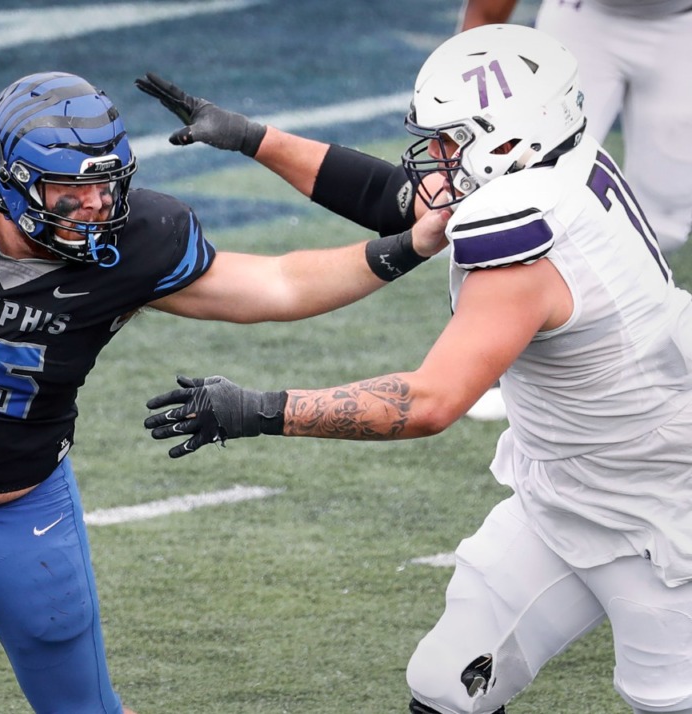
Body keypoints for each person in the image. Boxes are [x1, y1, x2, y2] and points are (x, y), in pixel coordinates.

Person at [0, 71, 448, 714]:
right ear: (9, 180)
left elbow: (280, 285)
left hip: (19, 510)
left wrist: (406, 248)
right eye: (71, 190)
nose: (95, 206)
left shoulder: (139, 245)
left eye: (106, 185)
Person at [143, 25, 692, 714]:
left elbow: (429, 401)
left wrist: (257, 409)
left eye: (450, 140)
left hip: (657, 515)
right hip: (566, 493)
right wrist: (252, 137)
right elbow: (396, 200)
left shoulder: (524, 234)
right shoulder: (563, 162)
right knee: (445, 685)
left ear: (507, 136)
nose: (434, 156)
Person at [459, 0, 692, 255]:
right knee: (528, 179)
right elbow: (485, 13)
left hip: (681, 27)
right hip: (583, 17)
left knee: (664, 224)